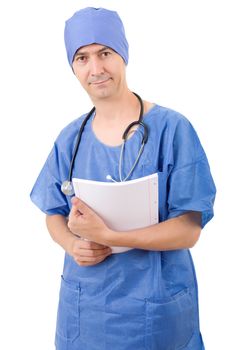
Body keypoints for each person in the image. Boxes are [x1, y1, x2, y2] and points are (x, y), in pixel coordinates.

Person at [30, 7, 216, 350]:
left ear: (123, 55)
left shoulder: (172, 130)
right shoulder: (70, 139)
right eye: (82, 57)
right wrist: (73, 244)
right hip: (86, 314)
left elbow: (189, 229)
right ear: (73, 67)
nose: (96, 68)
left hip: (155, 314)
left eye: (105, 53)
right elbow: (53, 213)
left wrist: (109, 235)